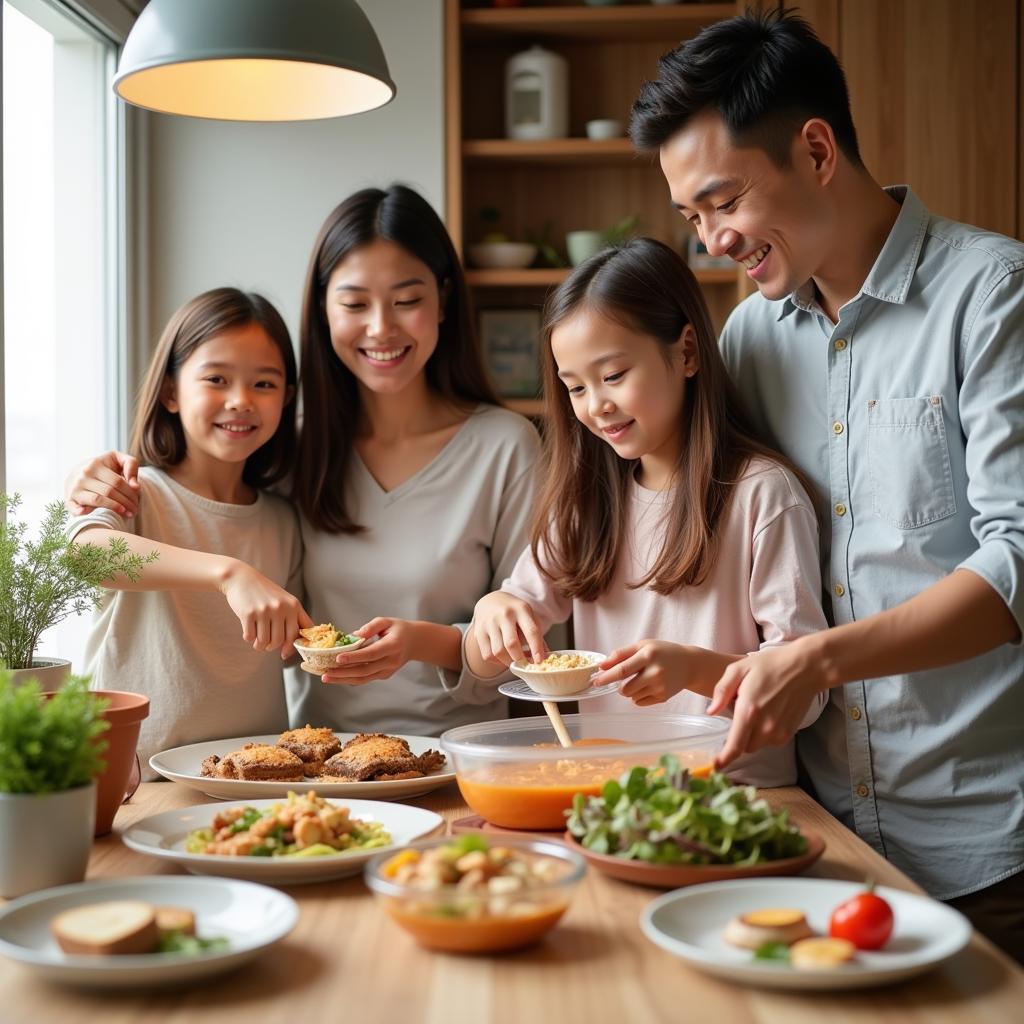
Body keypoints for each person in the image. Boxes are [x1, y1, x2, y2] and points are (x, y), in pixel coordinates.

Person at [630, 9, 1024, 958]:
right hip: (822, 842)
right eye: (691, 218)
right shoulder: (747, 341)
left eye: (722, 202)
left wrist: (821, 658)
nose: (712, 239)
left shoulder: (994, 295)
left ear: (814, 150)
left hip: (993, 849)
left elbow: (1018, 561)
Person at [67, 185, 541, 738]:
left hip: (462, 755)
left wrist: (422, 642)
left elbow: (536, 650)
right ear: (322, 309)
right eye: (355, 302)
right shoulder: (290, 456)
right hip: (317, 763)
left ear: (442, 301)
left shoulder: (506, 446)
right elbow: (170, 518)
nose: (381, 327)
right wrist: (95, 480)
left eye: (407, 300)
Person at [464, 237, 827, 786]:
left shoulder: (761, 495)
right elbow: (486, 653)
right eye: (575, 388)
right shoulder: (587, 504)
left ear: (685, 352)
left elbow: (808, 697)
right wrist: (494, 609)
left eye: (613, 377)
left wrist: (694, 669)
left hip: (737, 798)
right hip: (611, 794)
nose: (596, 405)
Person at [68, 287, 309, 773]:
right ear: (172, 391)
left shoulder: (283, 520)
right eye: (217, 378)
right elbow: (84, 555)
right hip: (136, 781)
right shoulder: (137, 492)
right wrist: (229, 573)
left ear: (286, 398)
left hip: (255, 780)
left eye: (264, 384)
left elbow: (291, 648)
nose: (240, 401)